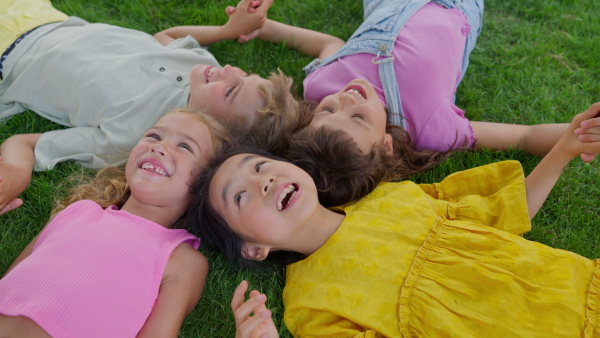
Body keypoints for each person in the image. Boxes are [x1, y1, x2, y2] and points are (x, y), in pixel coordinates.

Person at [188, 103, 600, 337]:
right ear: (254, 249)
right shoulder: (310, 305)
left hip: (574, 287)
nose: (264, 181)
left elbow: (503, 212)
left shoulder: (388, 196)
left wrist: (562, 150)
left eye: (260, 166)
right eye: (240, 195)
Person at [0, 0, 302, 215]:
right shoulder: (205, 66)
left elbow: (26, 143)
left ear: (218, 127)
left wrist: (16, 173)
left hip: (10, 60)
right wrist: (227, 29)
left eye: (232, 89)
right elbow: (166, 39)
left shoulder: (138, 138)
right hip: (41, 17)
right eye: (245, 74)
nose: (230, 69)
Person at [227, 0, 598, 165]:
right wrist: (578, 133)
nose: (347, 99)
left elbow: (331, 45)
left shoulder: (321, 86)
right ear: (387, 144)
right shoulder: (433, 129)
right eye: (358, 118)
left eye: (328, 110)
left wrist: (266, 28)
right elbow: (523, 137)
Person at [0, 107, 232, 337]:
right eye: (154, 135)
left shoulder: (181, 260)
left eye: (185, 146)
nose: (158, 146)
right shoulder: (77, 211)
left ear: (204, 185)